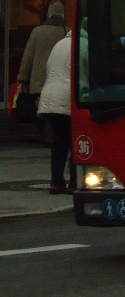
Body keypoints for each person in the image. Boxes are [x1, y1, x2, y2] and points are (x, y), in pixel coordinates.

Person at [36, 32, 76, 195]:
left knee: (59, 142)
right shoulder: (82, 45)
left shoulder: (59, 44)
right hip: (67, 98)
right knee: (75, 142)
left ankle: (56, 182)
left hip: (49, 97)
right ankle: (74, 182)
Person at [17, 1, 67, 104]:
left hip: (39, 82)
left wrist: (23, 77)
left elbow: (28, 56)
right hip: (59, 84)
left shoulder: (37, 31)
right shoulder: (67, 32)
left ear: (49, 14)